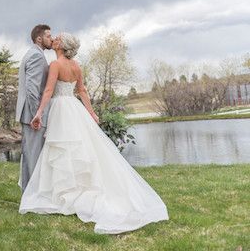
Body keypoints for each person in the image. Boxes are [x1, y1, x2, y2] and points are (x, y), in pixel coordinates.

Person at [19, 32, 169, 234]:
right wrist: (92, 113)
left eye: (58, 38)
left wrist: (38, 113)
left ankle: (63, 192)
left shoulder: (55, 65)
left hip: (60, 109)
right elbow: (82, 91)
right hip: (74, 108)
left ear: (62, 45)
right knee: (77, 149)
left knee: (61, 149)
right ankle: (72, 188)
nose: (54, 39)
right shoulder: (76, 66)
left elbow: (47, 92)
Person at [15, 24, 53, 192]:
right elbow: (32, 89)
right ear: (39, 38)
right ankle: (33, 195)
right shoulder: (37, 56)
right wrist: (36, 114)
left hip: (28, 114)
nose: (51, 39)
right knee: (34, 155)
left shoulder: (32, 54)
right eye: (48, 36)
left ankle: (28, 193)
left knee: (30, 155)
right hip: (32, 115)